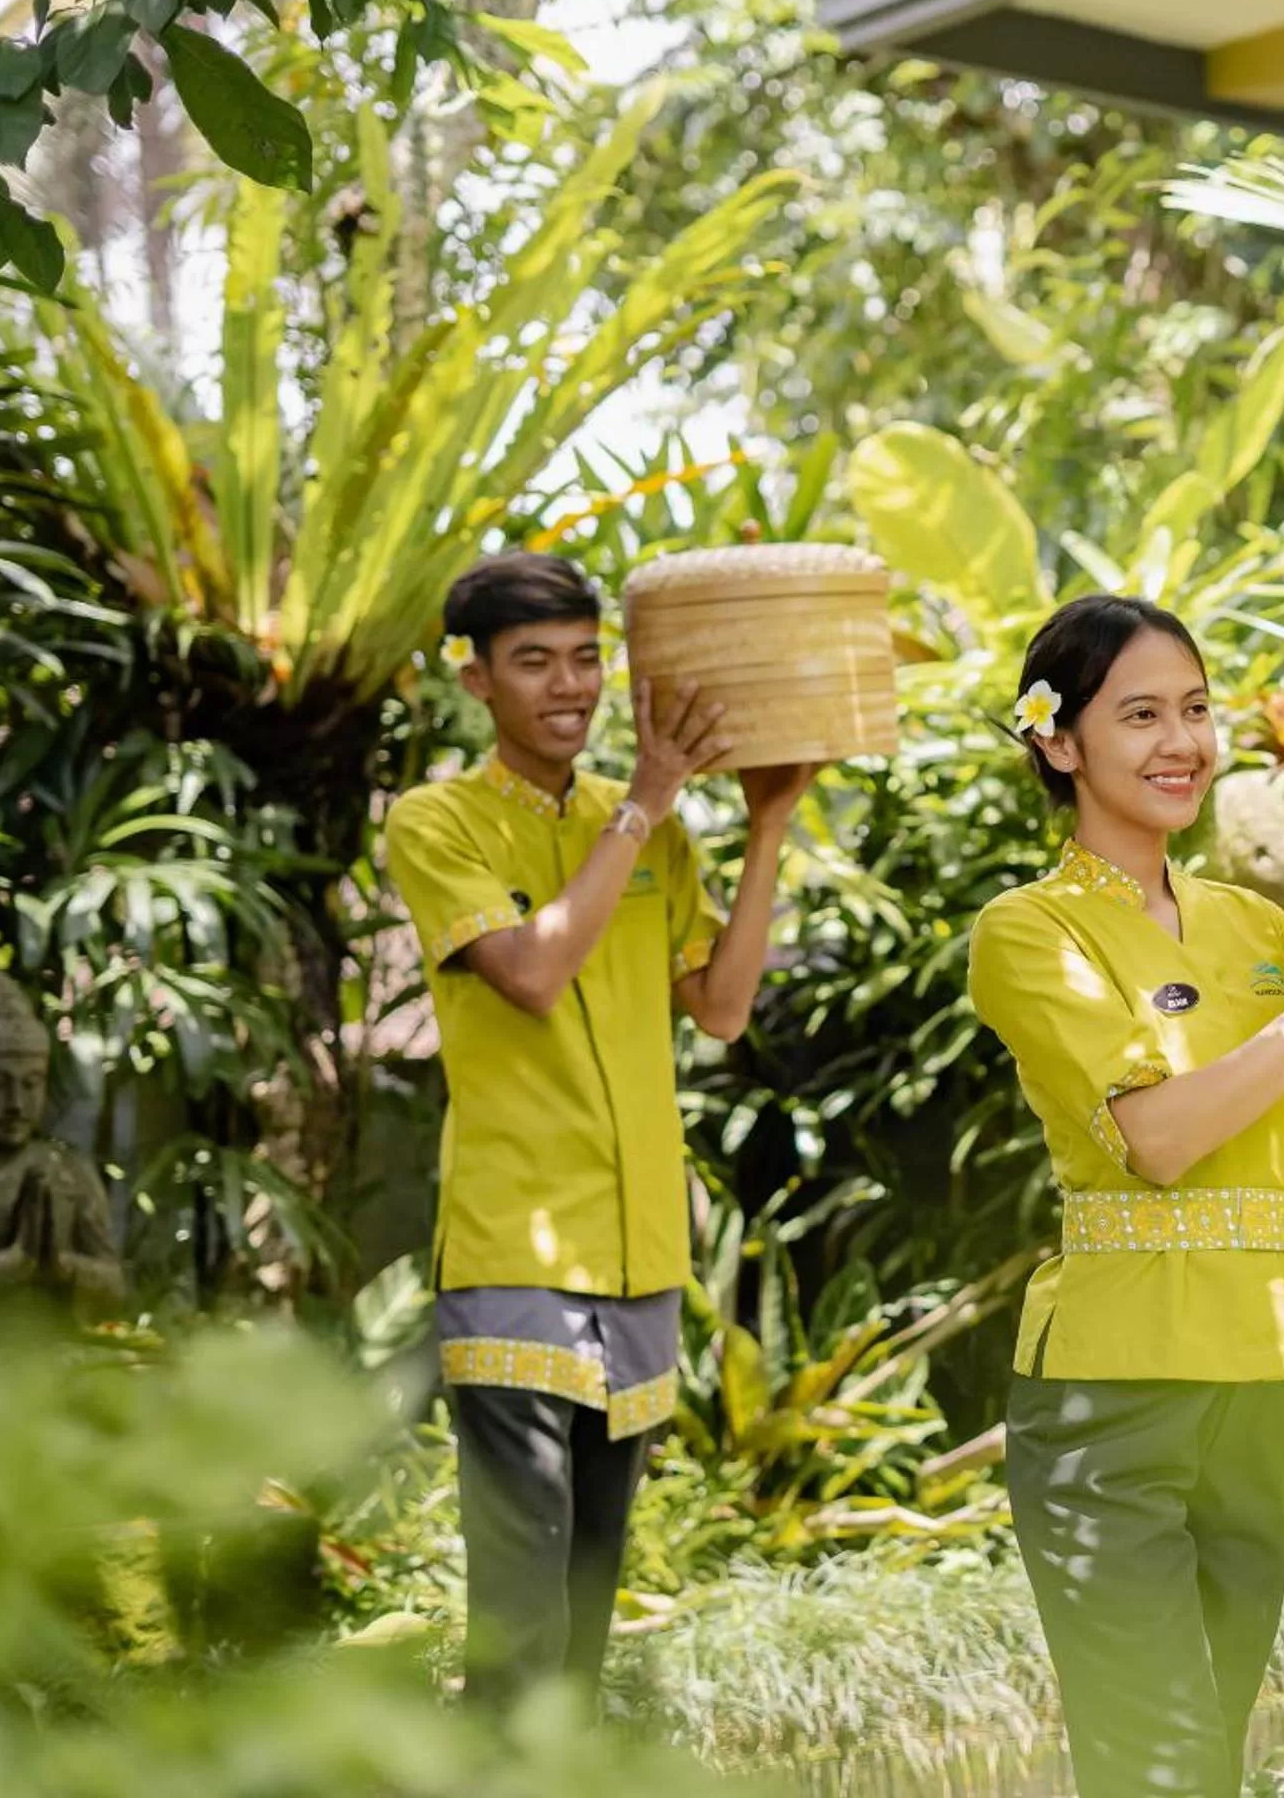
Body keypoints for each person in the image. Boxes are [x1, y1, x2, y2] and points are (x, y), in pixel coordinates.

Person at [969, 594, 1284, 1795]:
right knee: (1151, 1761)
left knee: (1206, 1757)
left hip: (1257, 1383)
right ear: (1057, 740)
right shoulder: (1028, 932)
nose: (1180, 741)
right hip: (1109, 1397)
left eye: (1194, 709)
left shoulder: (1255, 927)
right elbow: (1157, 1137)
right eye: (1138, 712)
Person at [382, 551, 808, 1709]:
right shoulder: (439, 821)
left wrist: (766, 823)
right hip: (514, 1253)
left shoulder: (648, 833)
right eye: (534, 663)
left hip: (638, 1260)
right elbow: (529, 971)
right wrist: (643, 804)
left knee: (584, 1600)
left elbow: (719, 1009)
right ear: (474, 680)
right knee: (520, 1610)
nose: (568, 687)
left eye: (584, 659)